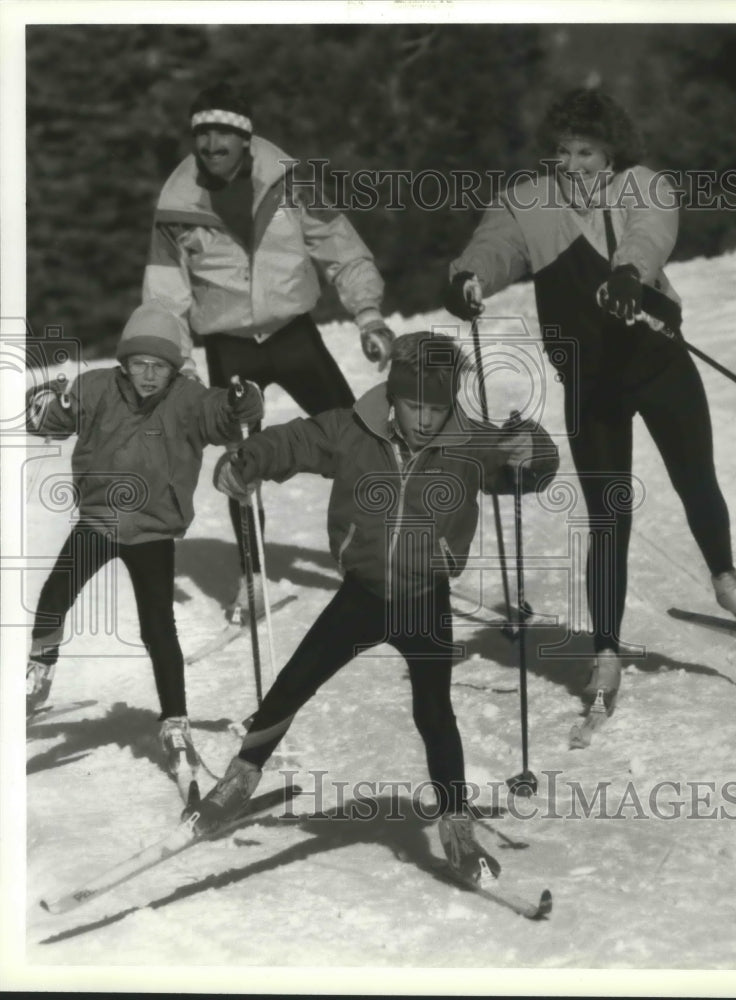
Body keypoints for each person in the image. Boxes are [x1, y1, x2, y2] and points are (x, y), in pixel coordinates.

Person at [189, 331, 558, 884]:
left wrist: (533, 448)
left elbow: (527, 467)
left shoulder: (466, 442)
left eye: (438, 407)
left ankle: (456, 825)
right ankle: (240, 778)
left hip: (424, 597)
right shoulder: (350, 430)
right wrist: (245, 460)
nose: (427, 419)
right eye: (415, 406)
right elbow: (291, 442)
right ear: (394, 396)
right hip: (363, 593)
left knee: (435, 714)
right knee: (292, 686)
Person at [444, 87, 736, 708]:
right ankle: (606, 651)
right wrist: (469, 277)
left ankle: (726, 580)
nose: (573, 163)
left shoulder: (640, 183)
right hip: (589, 379)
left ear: (611, 152)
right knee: (607, 516)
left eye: (586, 151)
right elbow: (497, 244)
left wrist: (629, 275)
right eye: (563, 150)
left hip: (658, 363)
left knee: (697, 480)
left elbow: (651, 229)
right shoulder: (529, 200)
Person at [143, 81, 395, 621]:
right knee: (242, 461)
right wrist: (179, 365)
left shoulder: (293, 182)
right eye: (202, 132)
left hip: (293, 337)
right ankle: (253, 576)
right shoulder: (176, 203)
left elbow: (342, 250)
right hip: (231, 349)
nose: (211, 144)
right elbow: (166, 294)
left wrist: (368, 315)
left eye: (223, 133)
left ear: (245, 136)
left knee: (357, 442)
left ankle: (376, 557)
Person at [25, 301, 263, 800]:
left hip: (153, 529)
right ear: (125, 362)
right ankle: (40, 668)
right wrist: (43, 408)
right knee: (54, 595)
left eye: (160, 366)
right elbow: (51, 417)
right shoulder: (95, 388)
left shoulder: (188, 399)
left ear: (174, 369)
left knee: (158, 625)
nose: (149, 375)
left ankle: (175, 721)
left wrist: (245, 403)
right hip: (98, 521)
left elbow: (225, 414)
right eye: (140, 364)